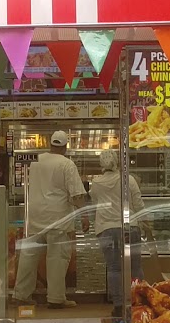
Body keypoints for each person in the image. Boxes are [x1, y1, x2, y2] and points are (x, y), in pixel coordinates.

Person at [10, 130, 84, 309]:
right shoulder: (67, 165)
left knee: (29, 255)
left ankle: (21, 295)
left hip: (35, 216)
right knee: (57, 258)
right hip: (58, 218)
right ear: (65, 147)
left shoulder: (37, 162)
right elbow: (77, 195)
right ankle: (56, 298)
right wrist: (85, 215)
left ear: (50, 144)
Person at [90, 149, 145, 306]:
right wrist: (145, 222)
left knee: (114, 268)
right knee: (135, 266)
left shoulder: (96, 183)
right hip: (130, 226)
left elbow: (95, 204)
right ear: (118, 162)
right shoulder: (129, 179)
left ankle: (118, 304)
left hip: (106, 228)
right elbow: (138, 203)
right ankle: (137, 300)